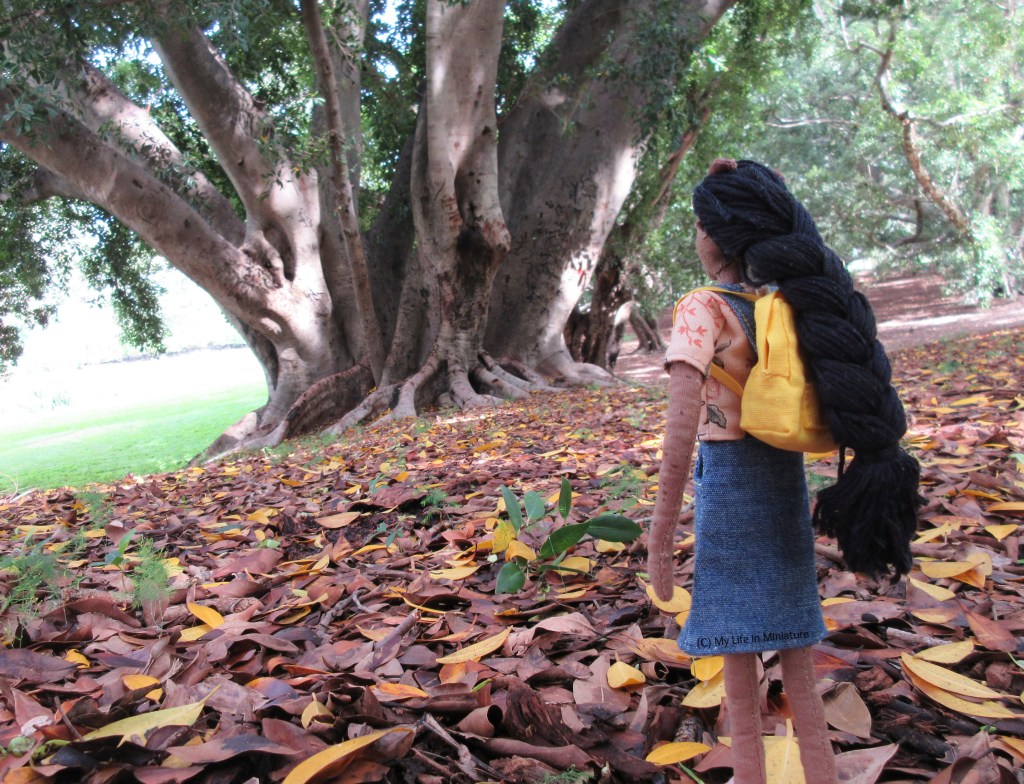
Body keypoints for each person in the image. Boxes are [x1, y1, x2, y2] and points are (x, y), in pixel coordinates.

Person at [647, 158, 921, 784]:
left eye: (697, 226)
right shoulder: (790, 306)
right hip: (784, 476)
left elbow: (680, 429)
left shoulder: (702, 308)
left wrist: (660, 536)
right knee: (795, 636)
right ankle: (819, 771)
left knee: (739, 646)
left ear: (715, 237)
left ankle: (752, 772)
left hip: (731, 479)